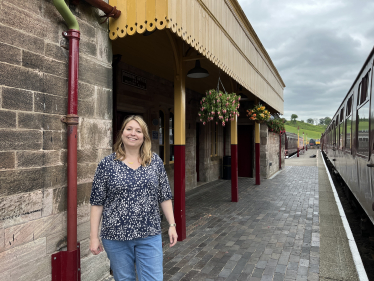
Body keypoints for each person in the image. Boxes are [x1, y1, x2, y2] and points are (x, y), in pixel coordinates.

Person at [89, 115, 178, 281]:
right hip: (116, 237)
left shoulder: (155, 162)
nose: (133, 133)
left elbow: (164, 196)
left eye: (138, 131)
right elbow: (97, 202)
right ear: (122, 133)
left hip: (149, 235)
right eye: (129, 129)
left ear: (144, 136)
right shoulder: (107, 164)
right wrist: (94, 237)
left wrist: (172, 225)